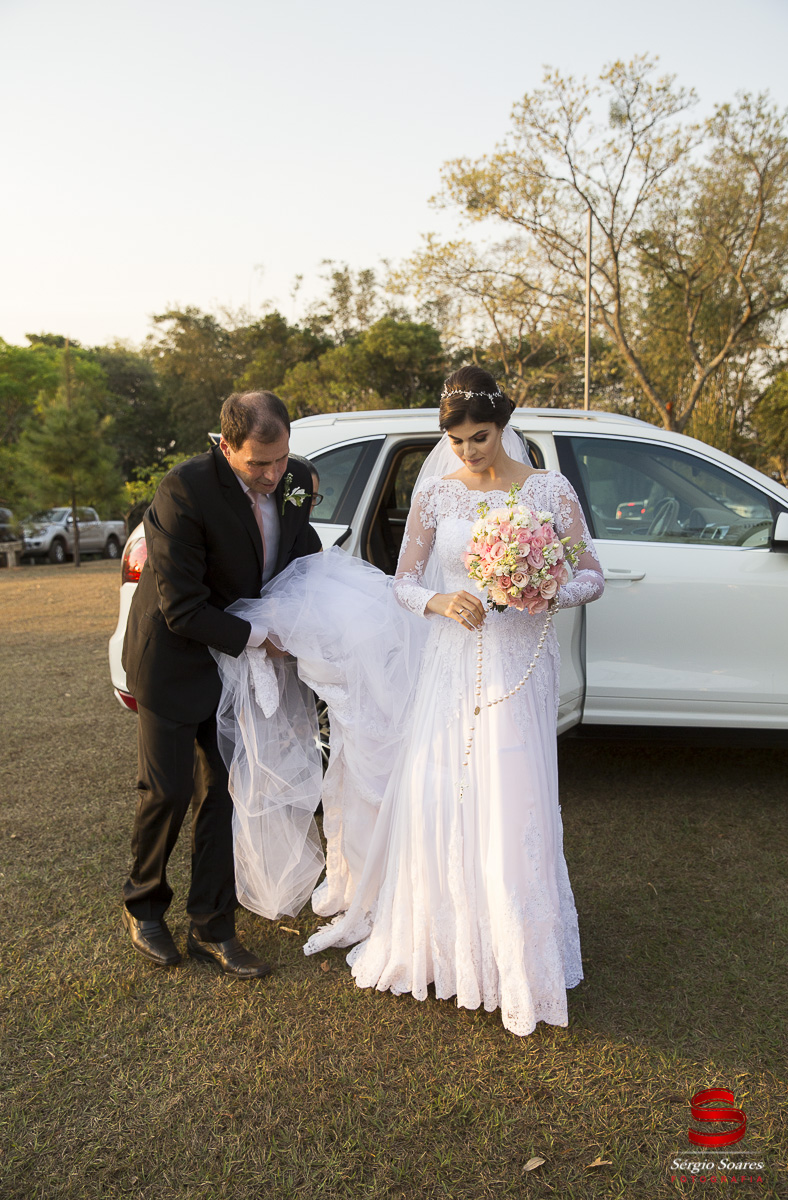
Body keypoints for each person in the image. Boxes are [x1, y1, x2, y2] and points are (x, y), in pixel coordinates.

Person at [217, 366, 604, 1033]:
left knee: (512, 796)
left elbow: (592, 576)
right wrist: (438, 600)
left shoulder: (550, 490)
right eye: (456, 441)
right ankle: (446, 944)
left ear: (502, 427)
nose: (468, 451)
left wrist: (540, 591)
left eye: (480, 437)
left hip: (517, 670)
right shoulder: (438, 495)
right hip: (451, 667)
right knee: (445, 794)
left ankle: (515, 950)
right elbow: (402, 583)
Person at [121, 390, 321, 977]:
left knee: (226, 794)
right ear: (226, 445)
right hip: (174, 659)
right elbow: (182, 607)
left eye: (281, 459)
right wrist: (264, 637)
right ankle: (143, 906)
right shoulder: (183, 490)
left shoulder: (295, 479)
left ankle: (212, 925)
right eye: (259, 463)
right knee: (168, 791)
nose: (274, 475)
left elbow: (301, 555)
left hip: (237, 669)